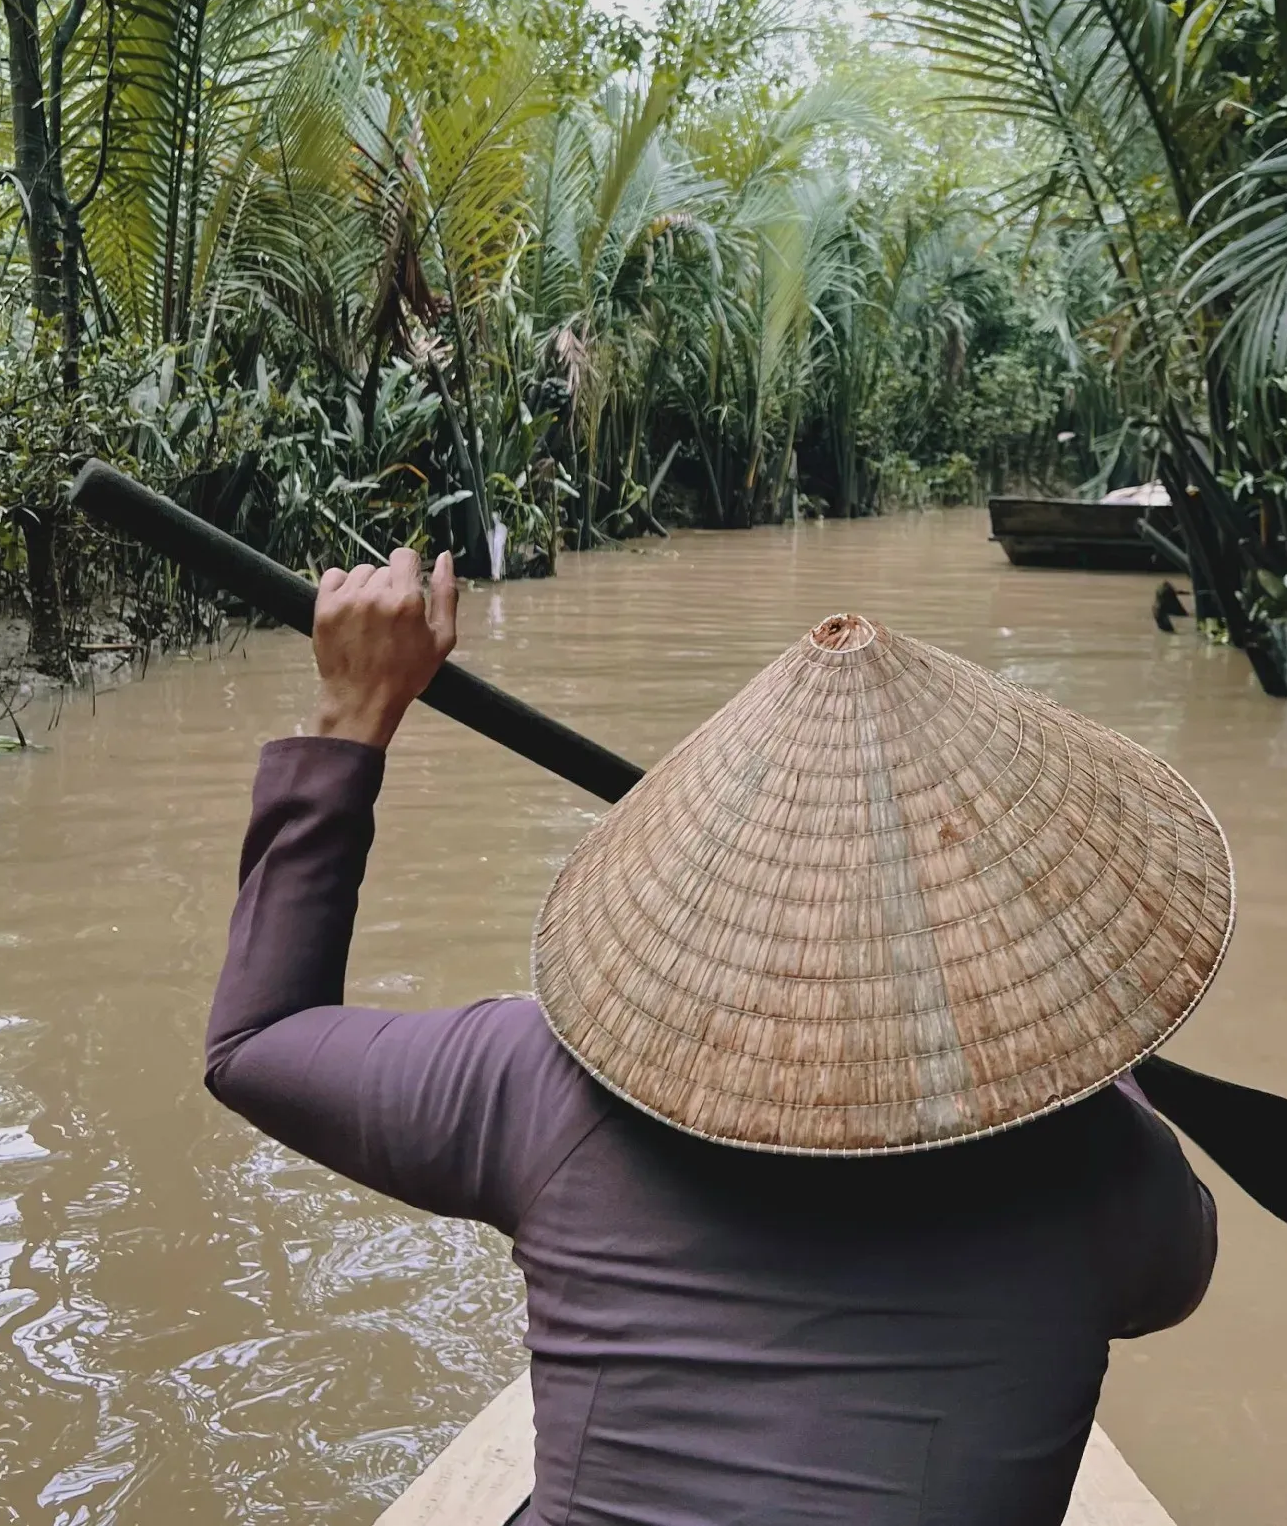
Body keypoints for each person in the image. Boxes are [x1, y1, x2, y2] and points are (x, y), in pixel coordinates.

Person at [207, 546, 1226, 1526]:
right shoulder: (1110, 1171)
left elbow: (256, 1038)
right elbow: (1169, 1283)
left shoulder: (537, 1089)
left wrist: (352, 716)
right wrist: (1081, 1027)